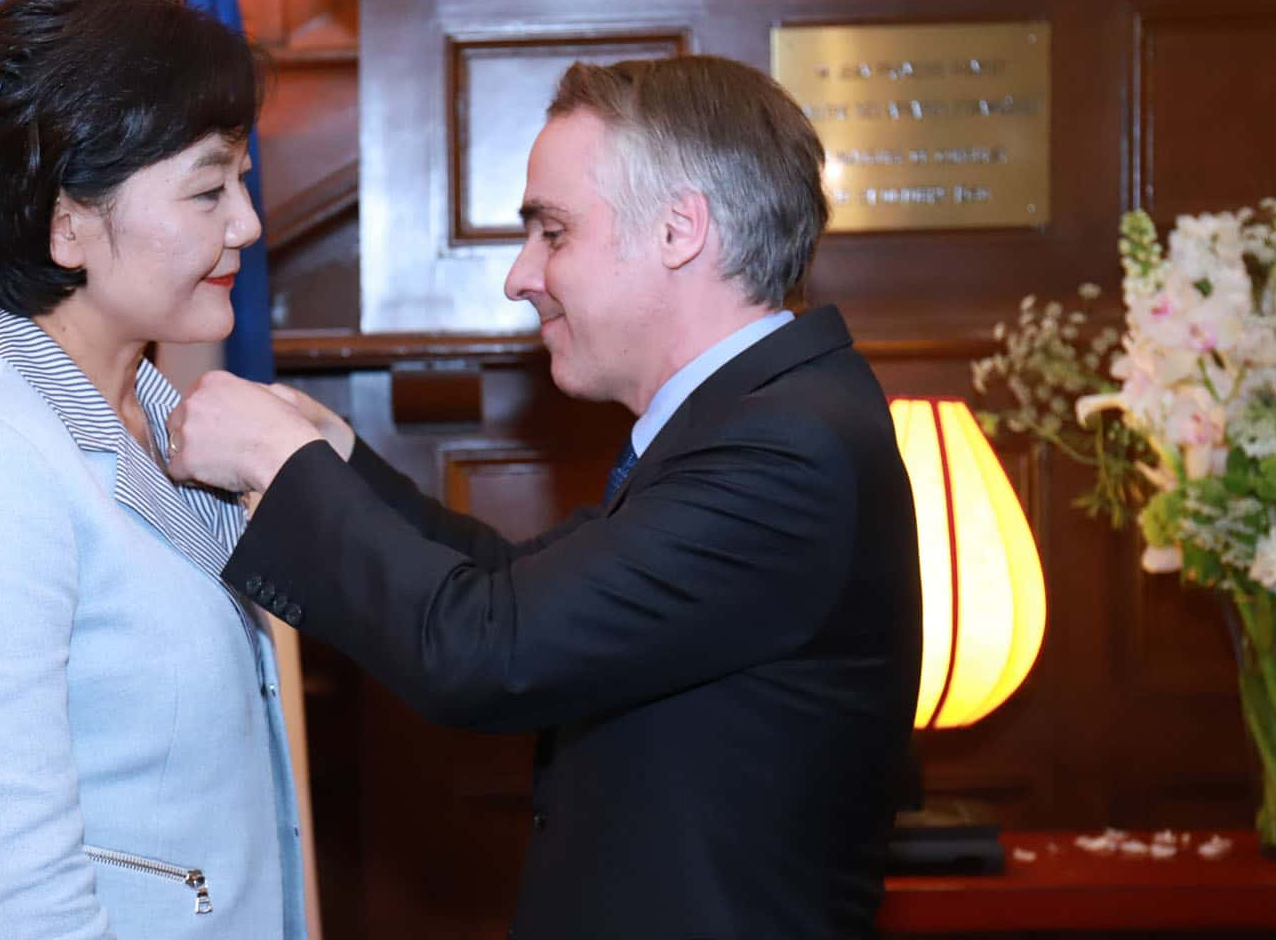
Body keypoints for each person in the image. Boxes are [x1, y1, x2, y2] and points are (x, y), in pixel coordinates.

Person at [166, 54, 922, 938]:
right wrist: (338, 462)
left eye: (552, 233)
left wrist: (279, 467)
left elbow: (490, 649)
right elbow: (522, 587)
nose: (520, 275)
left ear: (680, 231)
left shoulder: (786, 448)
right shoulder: (758, 417)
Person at [0, 0, 306, 940]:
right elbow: (14, 912)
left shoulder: (160, 413)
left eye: (243, 183)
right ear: (67, 223)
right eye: (209, 190)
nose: (247, 224)